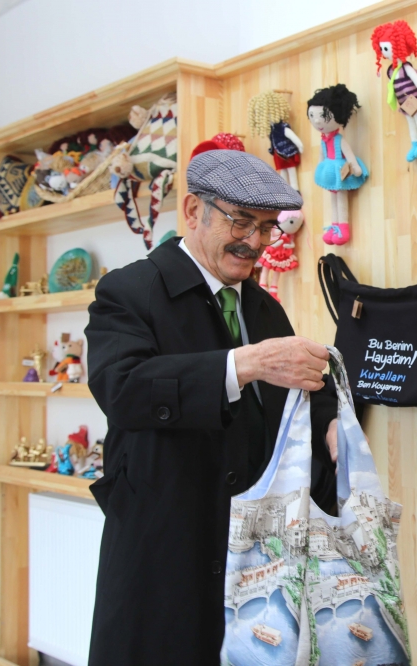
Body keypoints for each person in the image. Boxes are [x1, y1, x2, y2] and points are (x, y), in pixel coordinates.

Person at [85, 149, 331, 665]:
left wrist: (330, 424)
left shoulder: (263, 306)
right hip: (165, 549)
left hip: (255, 555)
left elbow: (290, 393)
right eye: (241, 221)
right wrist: (244, 363)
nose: (255, 242)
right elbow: (122, 388)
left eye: (267, 227)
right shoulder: (129, 290)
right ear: (193, 210)